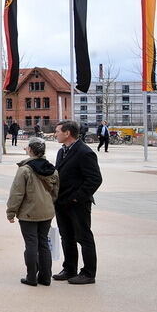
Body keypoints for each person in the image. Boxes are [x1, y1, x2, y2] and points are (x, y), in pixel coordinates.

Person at [52, 120, 102, 285]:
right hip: (61, 202)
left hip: (77, 204)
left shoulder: (84, 152)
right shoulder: (62, 151)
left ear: (67, 133)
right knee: (66, 237)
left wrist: (76, 197)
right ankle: (69, 269)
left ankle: (88, 273)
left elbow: (95, 179)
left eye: (58, 131)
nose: (55, 134)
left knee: (84, 237)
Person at [7, 137, 60, 286]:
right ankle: (45, 277)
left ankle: (31, 277)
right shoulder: (52, 169)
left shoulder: (25, 170)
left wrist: (11, 212)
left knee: (31, 244)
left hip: (29, 213)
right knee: (43, 243)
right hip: (47, 212)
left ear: (30, 150)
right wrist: (50, 205)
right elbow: (55, 192)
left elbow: (17, 193)